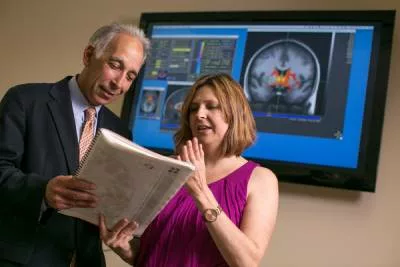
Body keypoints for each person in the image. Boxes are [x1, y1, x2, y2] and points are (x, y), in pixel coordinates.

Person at [0, 23, 150, 267]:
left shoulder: (121, 132)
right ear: (88, 55)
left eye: (130, 76)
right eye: (115, 66)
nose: (119, 84)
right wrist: (43, 191)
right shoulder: (25, 101)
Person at [100, 73, 279, 266]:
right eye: (193, 109)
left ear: (234, 114)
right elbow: (153, 252)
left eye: (211, 106)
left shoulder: (260, 179)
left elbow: (247, 262)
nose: (199, 115)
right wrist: (126, 250)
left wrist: (201, 193)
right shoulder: (165, 167)